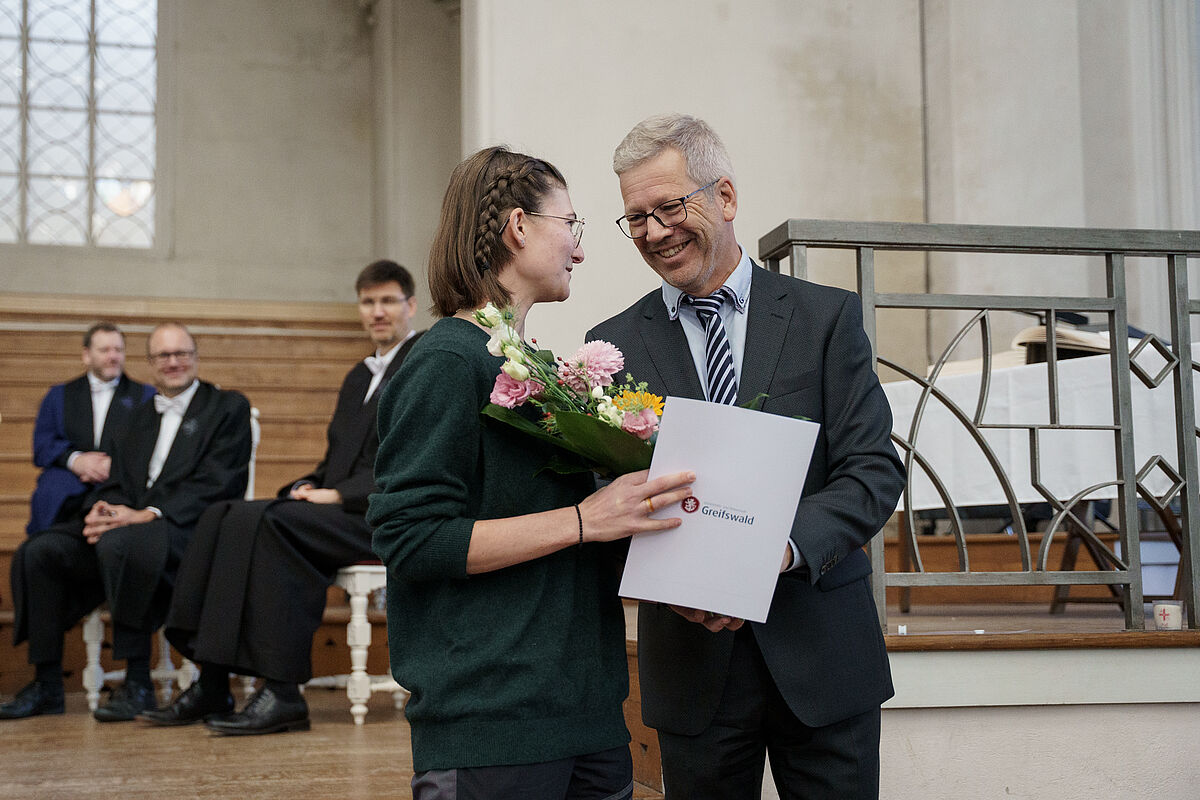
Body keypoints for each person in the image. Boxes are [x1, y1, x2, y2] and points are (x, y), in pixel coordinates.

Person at [587, 114, 906, 800]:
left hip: (823, 653)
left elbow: (873, 471)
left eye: (669, 207)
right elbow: (608, 497)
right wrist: (677, 582)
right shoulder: (610, 349)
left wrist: (777, 550)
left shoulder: (826, 320)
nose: (653, 232)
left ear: (725, 197)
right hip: (693, 667)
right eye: (635, 218)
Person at [366, 146, 696, 800]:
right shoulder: (446, 364)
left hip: (586, 711)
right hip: (493, 722)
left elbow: (573, 543)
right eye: (570, 225)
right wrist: (584, 519)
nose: (579, 249)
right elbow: (411, 539)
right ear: (518, 227)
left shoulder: (532, 370)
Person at [144, 260, 423, 735]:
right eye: (368, 302)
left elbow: (412, 458)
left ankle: (283, 692)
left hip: (381, 511)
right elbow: (338, 458)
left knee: (274, 525)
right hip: (339, 505)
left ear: (410, 306)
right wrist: (307, 484)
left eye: (387, 301)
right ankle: (211, 679)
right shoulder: (360, 375)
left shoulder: (421, 363)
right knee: (223, 514)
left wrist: (336, 493)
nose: (377, 311)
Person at [1, 323, 252, 722]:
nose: (173, 363)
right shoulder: (135, 418)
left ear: (196, 357)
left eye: (181, 353)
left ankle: (137, 683)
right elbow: (117, 483)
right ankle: (46, 683)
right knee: (41, 551)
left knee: (125, 544)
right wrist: (103, 513)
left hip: (189, 527)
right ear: (150, 363)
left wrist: (146, 514)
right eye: (162, 356)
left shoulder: (226, 407)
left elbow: (221, 482)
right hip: (130, 526)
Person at [28, 322, 155, 535]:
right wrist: (76, 460)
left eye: (118, 350)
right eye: (104, 350)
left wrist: (116, 465)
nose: (113, 356)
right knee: (49, 499)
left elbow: (154, 445)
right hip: (67, 485)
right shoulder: (59, 395)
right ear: (86, 355)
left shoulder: (146, 396)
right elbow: (42, 446)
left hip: (121, 485)